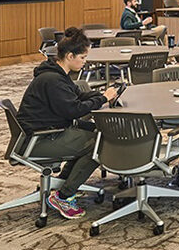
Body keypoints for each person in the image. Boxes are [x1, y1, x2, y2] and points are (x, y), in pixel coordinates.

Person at [16, 28, 120, 220]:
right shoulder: (53, 80)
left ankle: (64, 184)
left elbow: (78, 96)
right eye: (82, 57)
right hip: (39, 140)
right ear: (70, 56)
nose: (85, 61)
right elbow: (74, 110)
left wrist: (102, 95)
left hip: (48, 131)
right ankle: (64, 196)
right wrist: (103, 99)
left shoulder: (57, 73)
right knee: (99, 144)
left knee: (94, 132)